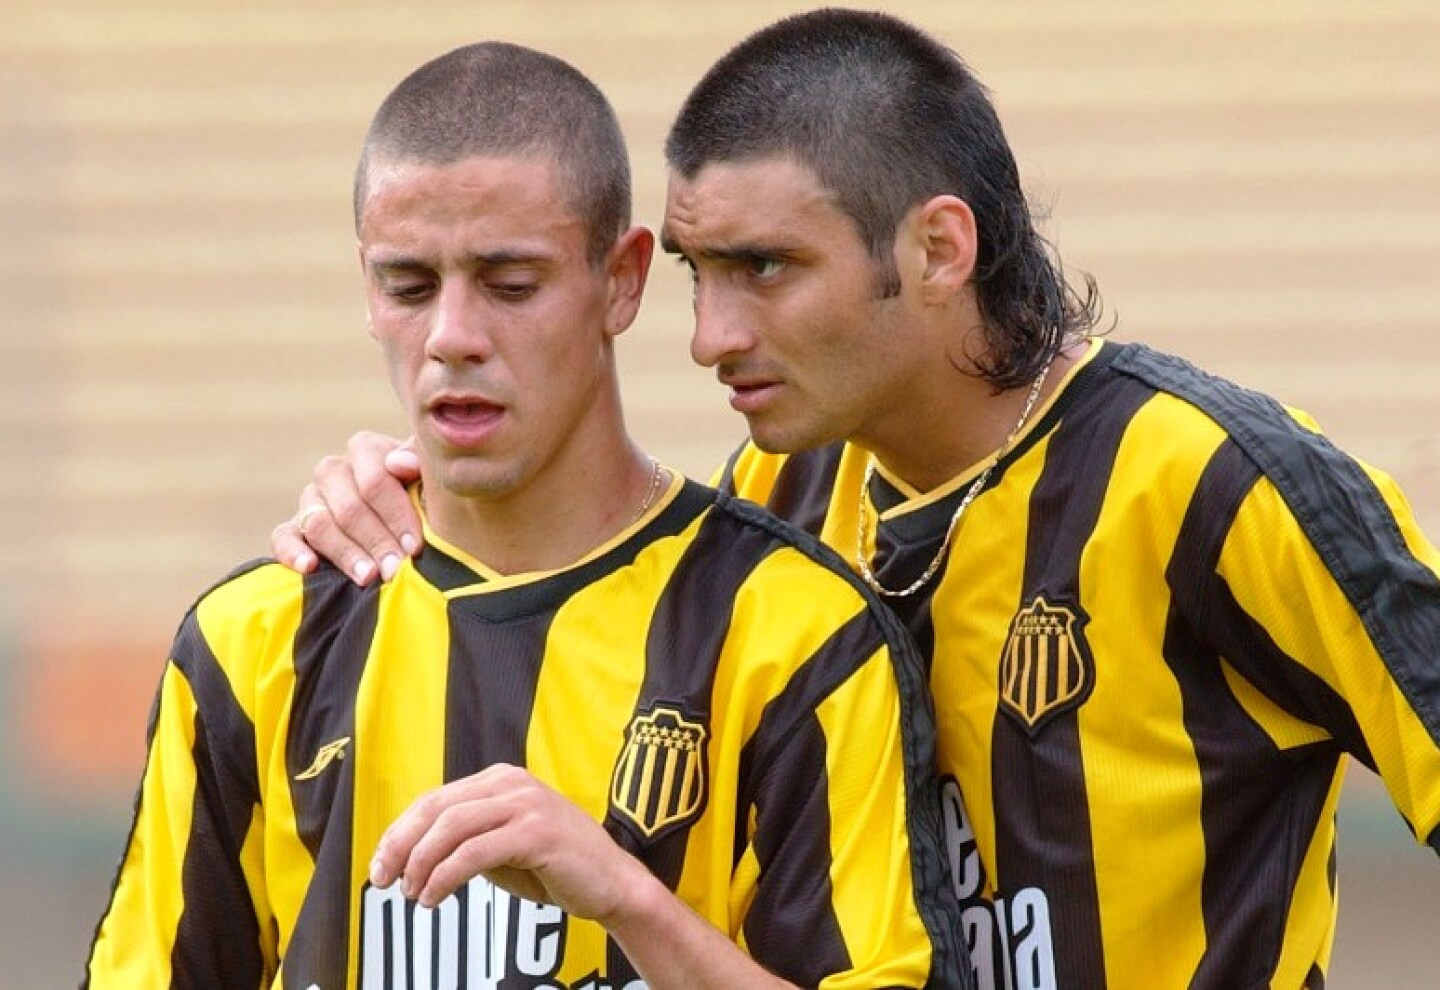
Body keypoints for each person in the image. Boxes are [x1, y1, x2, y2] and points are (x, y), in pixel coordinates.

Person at [270, 11, 1440, 990]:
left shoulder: (1216, 482)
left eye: (764, 268)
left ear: (937, 249)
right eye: (698, 273)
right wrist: (415, 496)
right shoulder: (785, 488)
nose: (708, 336)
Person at [86, 39, 975, 990]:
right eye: (408, 286)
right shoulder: (254, 641)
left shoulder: (794, 633)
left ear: (622, 281)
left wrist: (626, 899)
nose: (453, 338)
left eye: (511, 285)